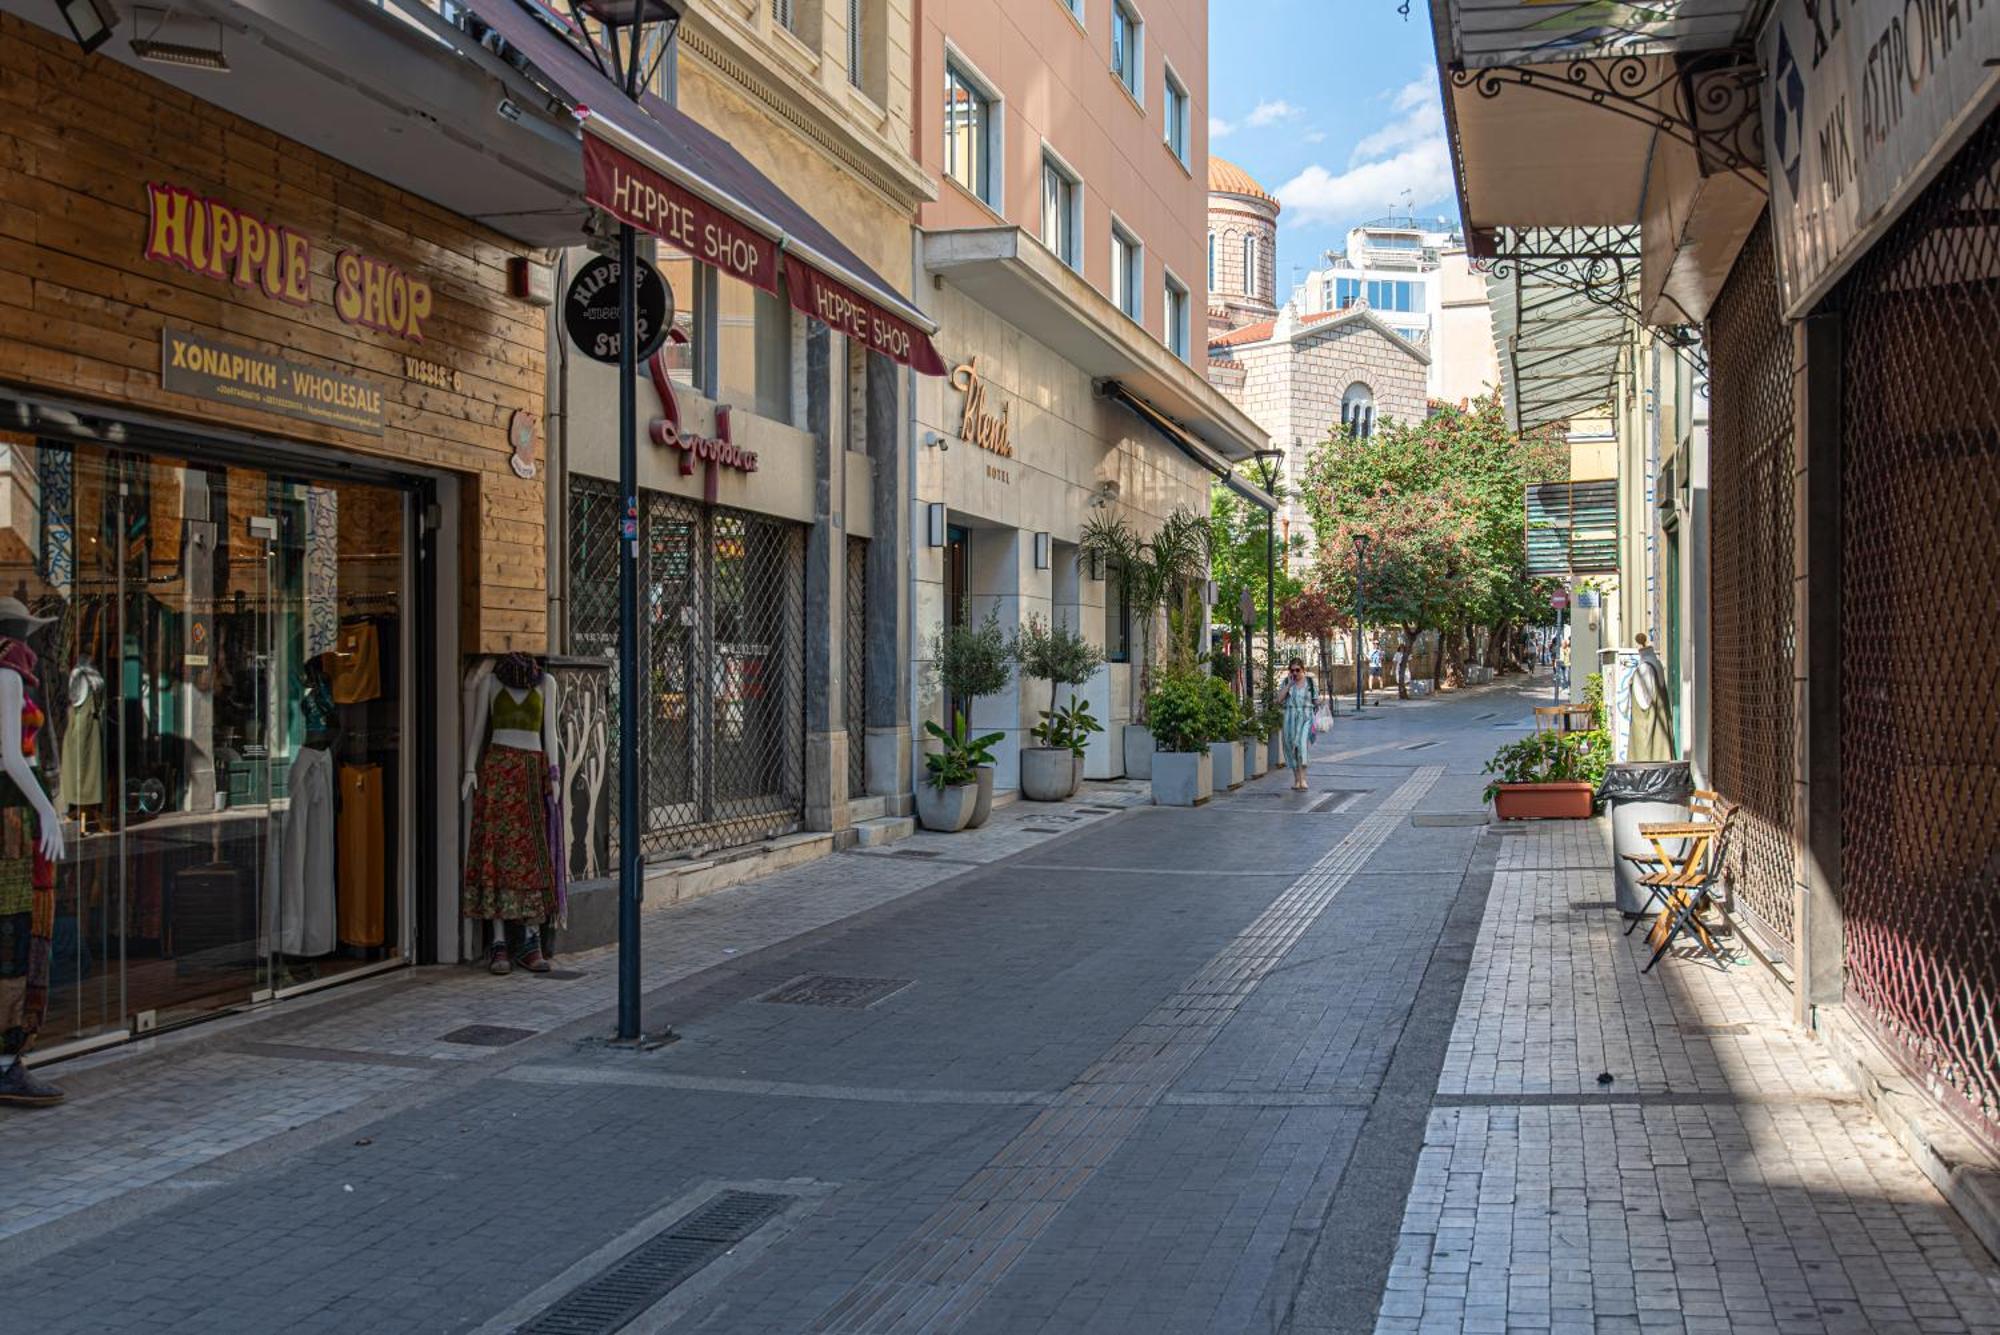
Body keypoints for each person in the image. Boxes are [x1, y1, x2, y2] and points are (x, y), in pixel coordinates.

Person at [1627, 633, 1675, 761]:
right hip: (1661, 734)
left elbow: (1644, 705)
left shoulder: (1644, 669)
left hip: (1646, 738)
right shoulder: (1657, 664)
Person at [1278, 657, 1317, 791]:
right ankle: (1296, 780)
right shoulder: (1287, 682)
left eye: (1297, 670)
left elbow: (1315, 701)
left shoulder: (1310, 682)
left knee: (1302, 746)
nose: (1294, 673)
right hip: (1290, 718)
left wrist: (1322, 709)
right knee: (1291, 748)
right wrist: (1289, 684)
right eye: (1292, 670)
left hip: (1306, 718)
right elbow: (1278, 700)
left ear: (1303, 669)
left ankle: (1303, 779)